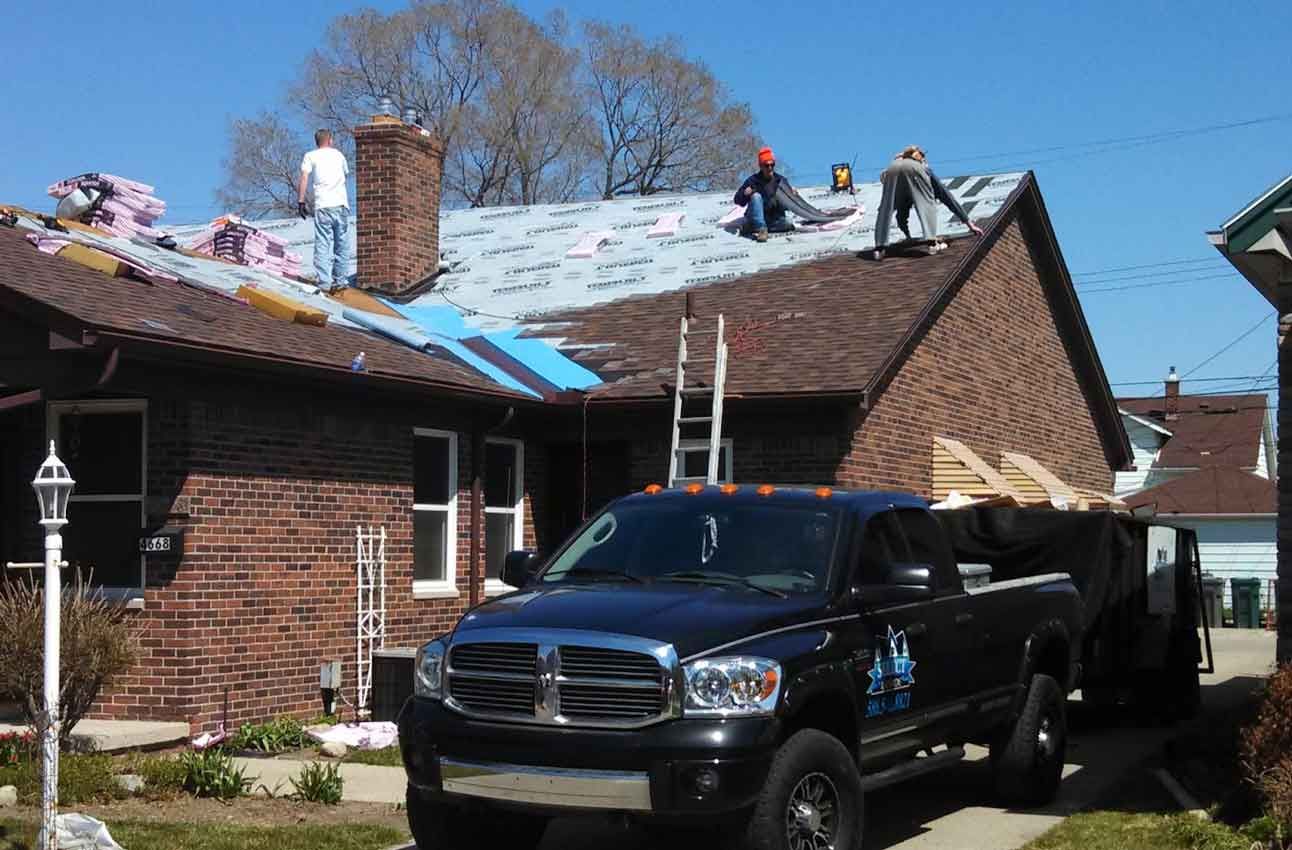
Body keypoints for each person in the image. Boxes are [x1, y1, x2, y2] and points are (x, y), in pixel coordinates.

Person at [871, 146, 983, 260]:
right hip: (913, 168)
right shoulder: (921, 167)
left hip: (891, 169)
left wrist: (907, 236)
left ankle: (879, 249)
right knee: (927, 200)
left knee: (886, 207)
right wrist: (969, 223)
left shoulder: (900, 177)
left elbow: (901, 214)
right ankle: (932, 243)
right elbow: (946, 196)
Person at [297, 129, 351, 292]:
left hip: (323, 206)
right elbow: (345, 176)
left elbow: (305, 177)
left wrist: (301, 201)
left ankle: (324, 283)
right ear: (330, 140)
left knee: (323, 243)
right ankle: (340, 280)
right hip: (340, 205)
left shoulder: (310, 156)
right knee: (341, 243)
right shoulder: (339, 155)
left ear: (317, 142)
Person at [733, 146, 794, 243]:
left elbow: (787, 207)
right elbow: (737, 200)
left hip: (773, 219)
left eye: (772, 165)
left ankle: (755, 228)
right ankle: (761, 228)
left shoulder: (780, 181)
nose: (770, 168)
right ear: (761, 166)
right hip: (755, 217)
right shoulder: (753, 180)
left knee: (789, 223)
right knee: (756, 196)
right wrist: (744, 194)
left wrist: (792, 196)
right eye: (766, 165)